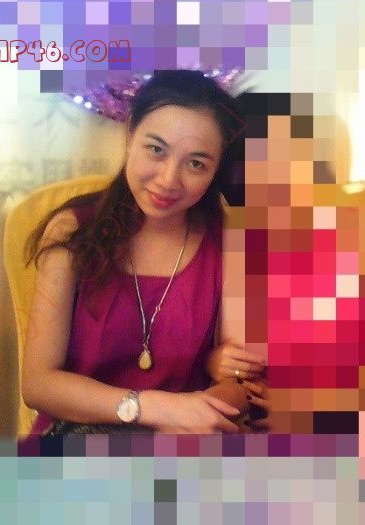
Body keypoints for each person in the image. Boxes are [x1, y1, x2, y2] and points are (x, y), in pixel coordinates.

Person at [21, 70, 267, 435]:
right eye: (156, 150)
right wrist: (152, 408)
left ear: (215, 168)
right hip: (78, 435)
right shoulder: (74, 230)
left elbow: (242, 381)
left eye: (196, 164)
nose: (168, 180)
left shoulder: (229, 241)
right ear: (130, 135)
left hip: (184, 441)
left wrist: (198, 409)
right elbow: (38, 384)